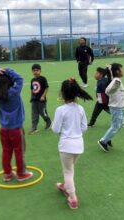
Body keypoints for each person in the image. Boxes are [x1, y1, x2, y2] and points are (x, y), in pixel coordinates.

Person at [51, 78, 93, 209]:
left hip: (66, 146)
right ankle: (65, 186)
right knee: (70, 169)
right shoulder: (80, 108)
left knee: (68, 171)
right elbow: (84, 127)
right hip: (78, 145)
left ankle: (72, 197)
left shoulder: (60, 110)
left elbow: (56, 129)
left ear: (62, 93)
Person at [0, 67, 33, 182]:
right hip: (16, 129)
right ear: (9, 82)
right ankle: (21, 174)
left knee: (6, 150)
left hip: (3, 129)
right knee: (19, 151)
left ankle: (8, 174)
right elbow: (19, 78)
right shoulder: (14, 92)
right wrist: (8, 70)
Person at [97, 63, 124, 152]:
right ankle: (103, 141)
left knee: (120, 124)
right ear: (117, 71)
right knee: (116, 125)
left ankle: (108, 137)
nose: (123, 70)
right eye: (121, 69)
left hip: (120, 106)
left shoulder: (116, 80)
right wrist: (115, 86)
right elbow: (108, 91)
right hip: (116, 107)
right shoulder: (116, 81)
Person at [29, 64, 51, 134]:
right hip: (34, 100)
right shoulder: (32, 80)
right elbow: (32, 89)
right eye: (34, 70)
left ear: (40, 71)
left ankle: (48, 122)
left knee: (43, 113)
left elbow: (47, 88)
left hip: (41, 101)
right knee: (34, 114)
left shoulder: (43, 78)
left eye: (37, 70)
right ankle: (34, 127)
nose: (35, 72)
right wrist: (31, 97)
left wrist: (43, 96)